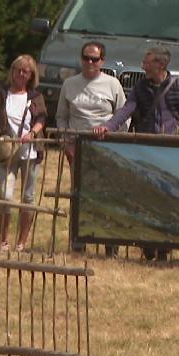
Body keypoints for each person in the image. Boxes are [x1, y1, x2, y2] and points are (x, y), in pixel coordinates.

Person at [95, 46, 179, 261]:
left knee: (166, 201)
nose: (143, 65)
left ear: (160, 65)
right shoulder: (141, 86)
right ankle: (148, 246)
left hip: (170, 153)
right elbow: (126, 109)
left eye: (147, 62)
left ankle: (163, 248)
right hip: (144, 150)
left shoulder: (176, 86)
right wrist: (108, 126)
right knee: (145, 198)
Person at [0, 55, 47, 253]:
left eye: (25, 72)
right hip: (6, 151)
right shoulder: (0, 93)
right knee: (5, 196)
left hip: (30, 151)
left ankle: (22, 242)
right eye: (18, 70)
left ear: (31, 75)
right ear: (12, 71)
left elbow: (41, 118)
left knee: (28, 197)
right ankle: (4, 240)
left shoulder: (35, 96)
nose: (21, 74)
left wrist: (33, 133)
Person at [56, 41, 126, 255]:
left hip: (106, 148)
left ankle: (110, 245)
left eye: (94, 59)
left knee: (107, 196)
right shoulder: (69, 84)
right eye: (86, 57)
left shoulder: (113, 84)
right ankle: (79, 241)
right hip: (78, 147)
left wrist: (116, 144)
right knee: (79, 195)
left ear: (102, 61)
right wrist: (66, 143)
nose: (89, 62)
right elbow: (61, 117)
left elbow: (123, 116)